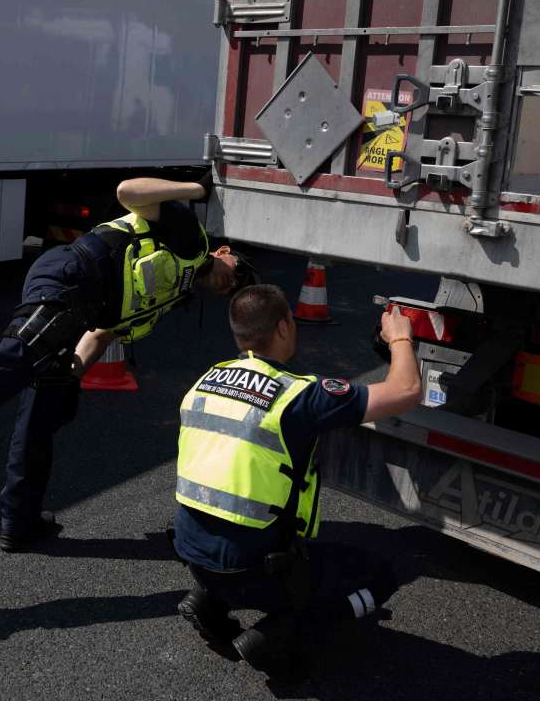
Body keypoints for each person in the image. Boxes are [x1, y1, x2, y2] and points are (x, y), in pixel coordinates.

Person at [0, 176, 257, 551]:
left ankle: (19, 522)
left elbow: (103, 332)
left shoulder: (169, 298)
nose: (231, 284)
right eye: (237, 271)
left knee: (48, 406)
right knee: (10, 360)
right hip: (71, 277)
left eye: (236, 289)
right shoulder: (190, 239)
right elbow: (127, 192)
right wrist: (194, 190)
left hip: (83, 310)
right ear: (223, 252)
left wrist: (73, 370)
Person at [171, 283, 423, 672]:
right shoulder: (300, 396)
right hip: (256, 571)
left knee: (228, 538)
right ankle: (278, 635)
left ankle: (207, 601)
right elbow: (405, 389)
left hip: (193, 555)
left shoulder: (205, 380)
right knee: (383, 574)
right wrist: (400, 336)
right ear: (284, 327)